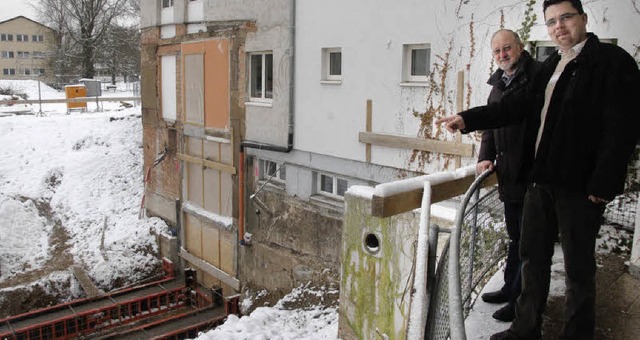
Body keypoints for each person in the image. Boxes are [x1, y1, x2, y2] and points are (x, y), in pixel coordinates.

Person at [438, 0, 640, 339]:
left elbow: (623, 127)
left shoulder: (612, 62)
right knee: (532, 258)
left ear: (583, 19)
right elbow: (513, 107)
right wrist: (467, 119)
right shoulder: (550, 67)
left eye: (565, 18)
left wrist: (604, 181)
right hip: (540, 180)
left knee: (578, 269)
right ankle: (525, 328)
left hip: (578, 186)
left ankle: (577, 334)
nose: (558, 27)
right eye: (551, 22)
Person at [477, 29, 541, 323]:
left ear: (520, 47)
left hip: (533, 177)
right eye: (497, 51)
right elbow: (490, 126)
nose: (502, 55)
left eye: (507, 48)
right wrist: (485, 157)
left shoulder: (535, 78)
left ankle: (520, 302)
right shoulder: (498, 85)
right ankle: (509, 289)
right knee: (517, 239)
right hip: (509, 176)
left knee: (529, 244)